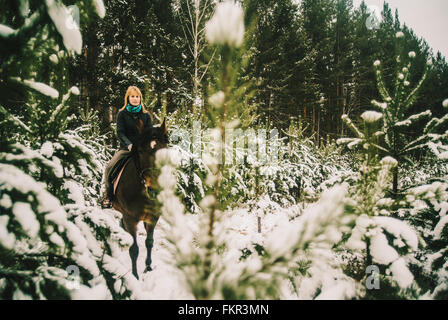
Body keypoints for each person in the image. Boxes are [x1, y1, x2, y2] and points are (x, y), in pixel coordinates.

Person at [100, 86, 153, 207]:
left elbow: (149, 132)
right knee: (109, 167)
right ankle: (108, 196)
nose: (135, 99)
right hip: (126, 149)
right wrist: (129, 145)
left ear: (140, 99)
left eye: (137, 97)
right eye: (132, 96)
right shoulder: (122, 114)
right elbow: (120, 132)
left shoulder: (146, 115)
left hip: (143, 149)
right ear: (127, 98)